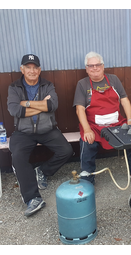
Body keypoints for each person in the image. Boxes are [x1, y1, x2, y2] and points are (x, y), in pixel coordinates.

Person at [7, 54, 73, 217]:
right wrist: (41, 105)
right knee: (18, 157)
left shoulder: (47, 85)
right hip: (23, 133)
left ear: (39, 69)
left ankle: (42, 171)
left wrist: (26, 103)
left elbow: (53, 105)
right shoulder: (14, 87)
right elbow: (15, 110)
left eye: (35, 67)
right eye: (28, 67)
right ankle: (33, 199)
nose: (32, 70)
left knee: (66, 150)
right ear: (22, 69)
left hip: (47, 129)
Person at [73, 51, 131, 184]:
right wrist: (87, 130)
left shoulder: (113, 79)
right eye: (91, 66)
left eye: (97, 65)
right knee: (87, 143)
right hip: (94, 126)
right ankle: (88, 178)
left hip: (117, 123)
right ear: (86, 69)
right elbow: (79, 109)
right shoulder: (82, 84)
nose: (95, 68)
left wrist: (130, 121)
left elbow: (124, 100)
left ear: (103, 66)